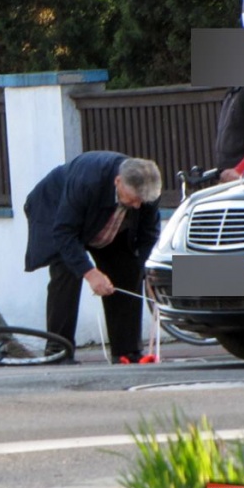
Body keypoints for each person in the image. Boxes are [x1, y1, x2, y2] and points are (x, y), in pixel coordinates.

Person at [24, 152, 162, 364]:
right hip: (57, 212)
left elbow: (148, 235)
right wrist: (90, 273)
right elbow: (64, 233)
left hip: (109, 223)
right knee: (67, 271)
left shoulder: (146, 191)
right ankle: (58, 350)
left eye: (140, 202)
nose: (136, 206)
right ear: (118, 182)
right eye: (133, 199)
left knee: (128, 268)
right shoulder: (88, 181)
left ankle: (127, 351)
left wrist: (148, 273)